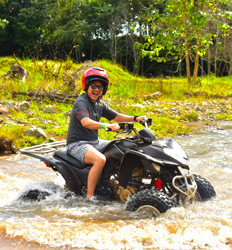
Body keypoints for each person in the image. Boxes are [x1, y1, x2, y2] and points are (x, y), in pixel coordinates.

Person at [66, 67, 146, 205]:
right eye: (94, 86)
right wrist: (105, 126)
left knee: (124, 147)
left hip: (93, 142)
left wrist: (135, 118)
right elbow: (85, 122)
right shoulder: (81, 102)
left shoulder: (99, 104)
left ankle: (122, 184)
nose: (97, 89)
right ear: (86, 86)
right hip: (77, 144)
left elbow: (116, 116)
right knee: (100, 159)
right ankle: (89, 197)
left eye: (100, 87)